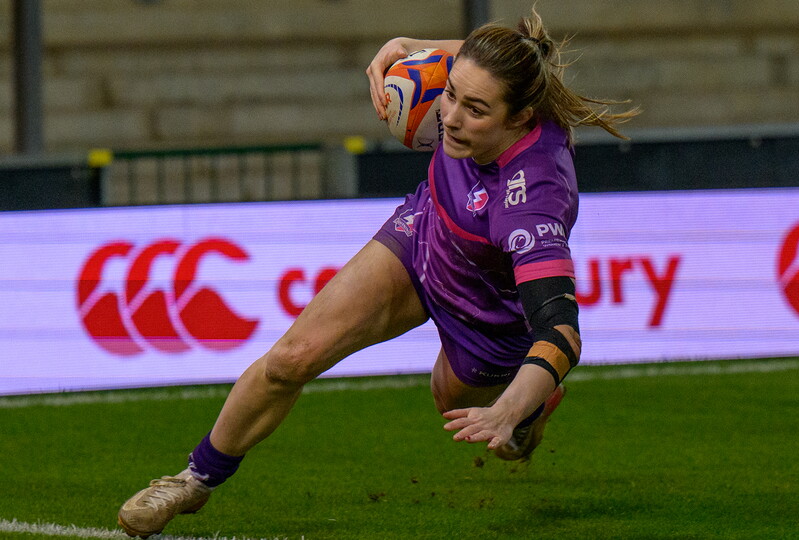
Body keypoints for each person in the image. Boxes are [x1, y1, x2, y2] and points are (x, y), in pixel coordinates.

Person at [117, 8, 638, 538]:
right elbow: (474, 60)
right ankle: (192, 480)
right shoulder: (492, 79)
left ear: (522, 118)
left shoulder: (532, 199)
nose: (450, 117)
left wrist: (508, 410)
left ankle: (531, 412)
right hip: (424, 233)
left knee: (457, 404)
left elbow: (561, 331)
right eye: (451, 94)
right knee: (291, 358)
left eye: (475, 110)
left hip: (488, 308)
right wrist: (409, 44)